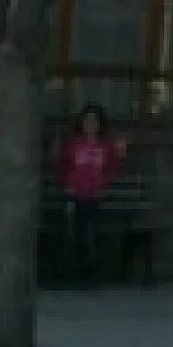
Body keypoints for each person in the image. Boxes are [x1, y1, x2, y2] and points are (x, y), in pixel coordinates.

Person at [58, 104, 126, 288]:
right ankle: (74, 273)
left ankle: (90, 273)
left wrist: (119, 156)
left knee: (92, 232)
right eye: (87, 120)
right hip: (75, 194)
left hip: (95, 195)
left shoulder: (106, 146)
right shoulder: (73, 144)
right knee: (75, 231)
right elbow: (63, 167)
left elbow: (113, 169)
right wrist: (68, 184)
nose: (90, 124)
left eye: (94, 121)